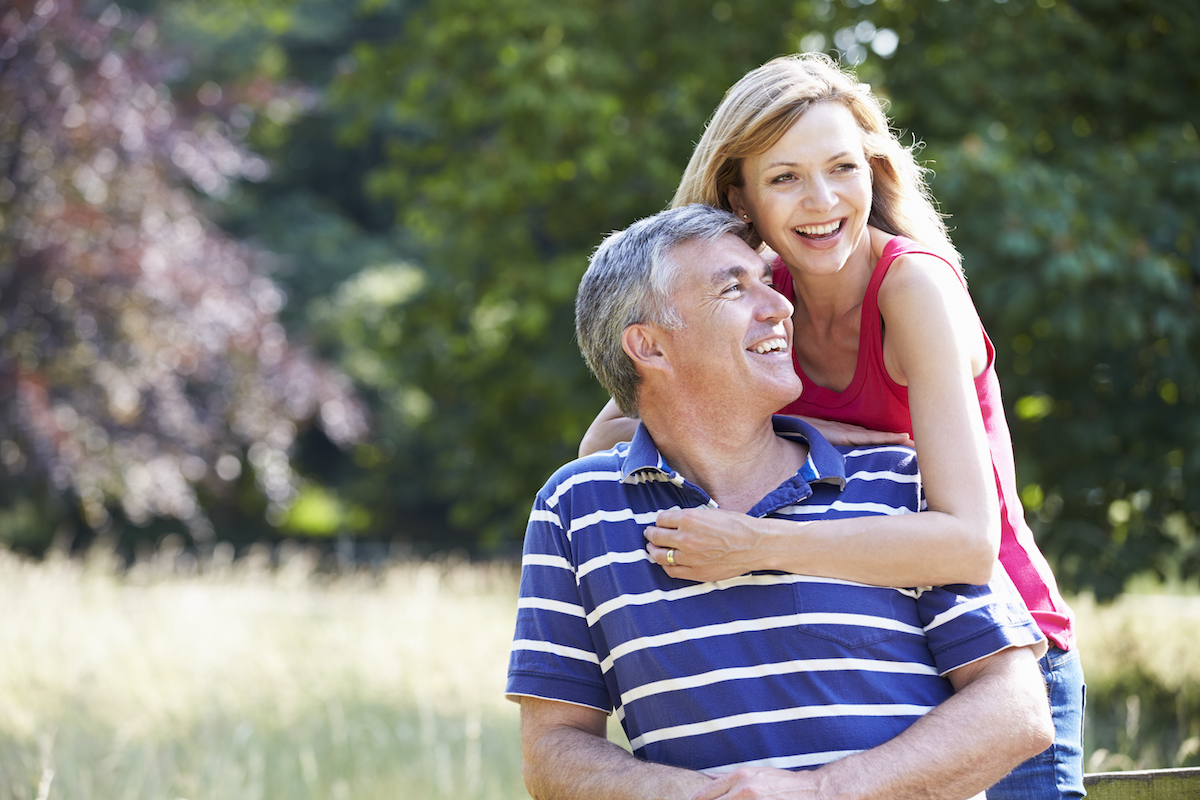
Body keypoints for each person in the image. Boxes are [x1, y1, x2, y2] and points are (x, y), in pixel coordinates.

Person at [579, 54, 1084, 799]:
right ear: (738, 195)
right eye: (785, 177)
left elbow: (969, 545)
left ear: (873, 174)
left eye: (842, 168)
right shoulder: (759, 299)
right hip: (885, 639)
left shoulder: (914, 289)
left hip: (1001, 651)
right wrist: (824, 428)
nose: (823, 201)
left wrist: (755, 547)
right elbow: (605, 440)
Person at [509, 203, 1053, 800]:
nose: (781, 305)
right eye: (734, 288)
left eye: (765, 280)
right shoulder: (574, 508)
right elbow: (552, 751)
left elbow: (1017, 708)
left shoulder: (904, 482)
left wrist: (822, 793)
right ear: (649, 346)